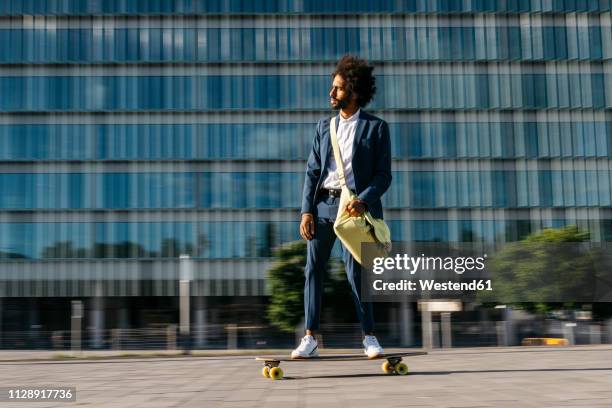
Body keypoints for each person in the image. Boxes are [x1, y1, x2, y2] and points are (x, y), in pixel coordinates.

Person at [292, 55, 392, 359]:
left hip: (355, 210)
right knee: (314, 270)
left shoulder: (377, 128)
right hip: (324, 204)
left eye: (337, 89)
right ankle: (309, 338)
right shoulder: (325, 127)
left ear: (354, 92)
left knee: (356, 274)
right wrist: (306, 211)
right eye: (332, 88)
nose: (331, 93)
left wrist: (364, 199)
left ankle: (369, 337)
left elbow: (383, 175)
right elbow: (312, 171)